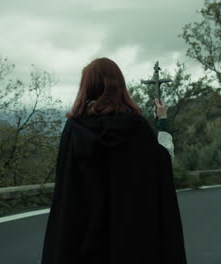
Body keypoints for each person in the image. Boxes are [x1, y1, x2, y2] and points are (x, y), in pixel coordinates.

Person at [41, 57, 187, 264]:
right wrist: (162, 123)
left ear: (86, 87)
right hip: (128, 242)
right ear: (118, 85)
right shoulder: (135, 127)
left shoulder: (74, 129)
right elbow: (162, 166)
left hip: (83, 241)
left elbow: (66, 193)